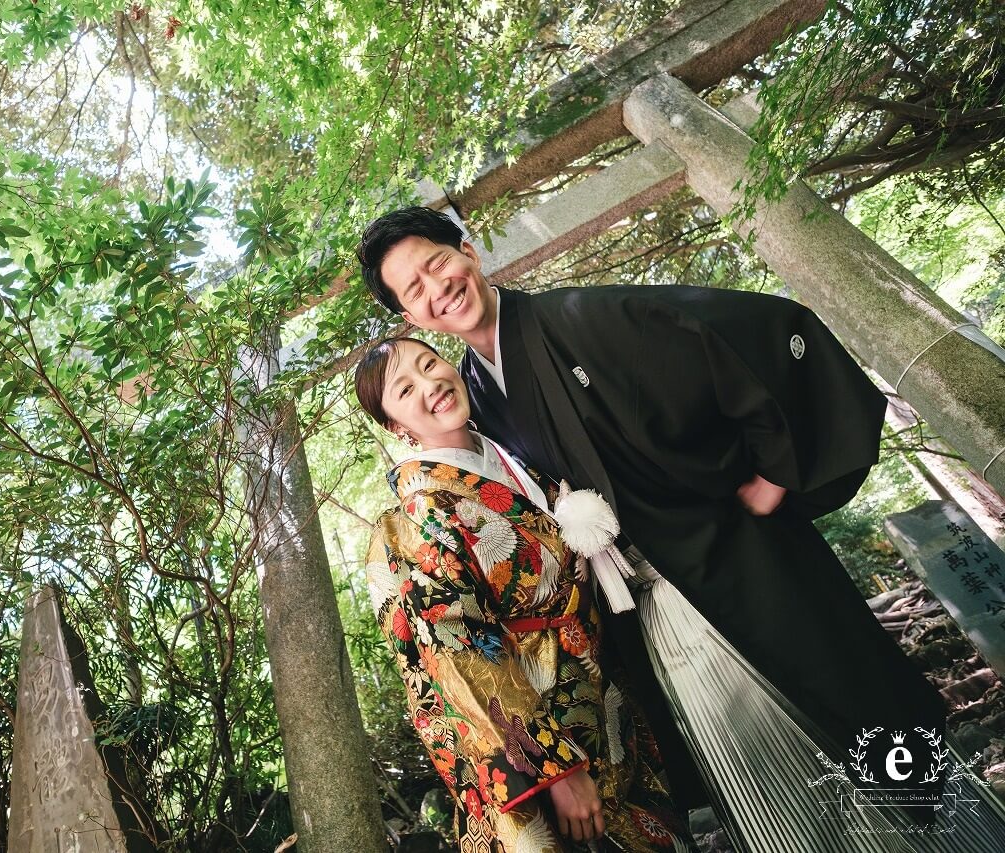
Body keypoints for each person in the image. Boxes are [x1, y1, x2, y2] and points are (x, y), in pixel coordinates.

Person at [355, 206, 1005, 850]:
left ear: (468, 251)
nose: (437, 286)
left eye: (437, 262)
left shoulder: (582, 317)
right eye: (414, 288)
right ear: (412, 316)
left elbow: (751, 332)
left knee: (864, 735)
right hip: (653, 620)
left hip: (738, 565)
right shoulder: (475, 400)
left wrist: (776, 464)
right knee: (771, 794)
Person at [356, 336, 697, 851]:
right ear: (395, 426)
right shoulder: (420, 514)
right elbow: (458, 652)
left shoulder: (506, 453)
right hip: (543, 717)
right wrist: (554, 769)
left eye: (430, 364)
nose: (431, 385)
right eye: (406, 389)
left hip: (602, 684)